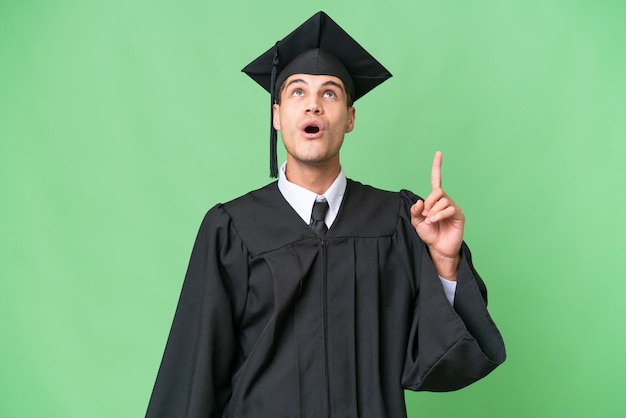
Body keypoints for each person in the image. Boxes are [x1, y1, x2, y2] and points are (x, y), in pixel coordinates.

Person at [146, 11, 505, 418]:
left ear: (350, 118)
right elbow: (193, 374)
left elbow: (438, 361)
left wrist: (444, 262)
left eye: (330, 93)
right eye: (297, 92)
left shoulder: (397, 222)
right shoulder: (232, 230)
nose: (314, 105)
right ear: (277, 116)